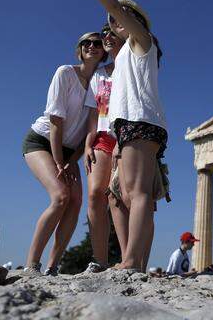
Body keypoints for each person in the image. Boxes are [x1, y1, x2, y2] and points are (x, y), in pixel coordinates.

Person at [61, 0, 168, 272]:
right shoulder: (123, 56)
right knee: (133, 195)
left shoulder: (141, 40)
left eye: (117, 18)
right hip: (132, 125)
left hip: (139, 122)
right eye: (109, 23)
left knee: (135, 195)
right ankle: (135, 260)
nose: (111, 24)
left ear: (132, 19)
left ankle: (132, 261)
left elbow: (110, 5)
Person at [22, 32, 106, 276]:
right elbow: (56, 121)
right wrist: (59, 161)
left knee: (76, 201)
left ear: (103, 52)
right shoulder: (65, 73)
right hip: (42, 140)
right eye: (86, 43)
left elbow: (89, 130)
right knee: (60, 196)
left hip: (71, 151)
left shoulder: (99, 82)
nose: (92, 46)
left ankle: (52, 267)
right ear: (79, 49)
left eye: (97, 43)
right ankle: (31, 265)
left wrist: (71, 160)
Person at [83, 24, 127, 273]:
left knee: (119, 197)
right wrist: (88, 142)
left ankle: (128, 258)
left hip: (127, 136)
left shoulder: (133, 65)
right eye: (104, 35)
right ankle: (99, 260)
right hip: (102, 137)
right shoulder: (99, 74)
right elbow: (93, 111)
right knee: (94, 195)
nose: (107, 38)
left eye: (112, 33)